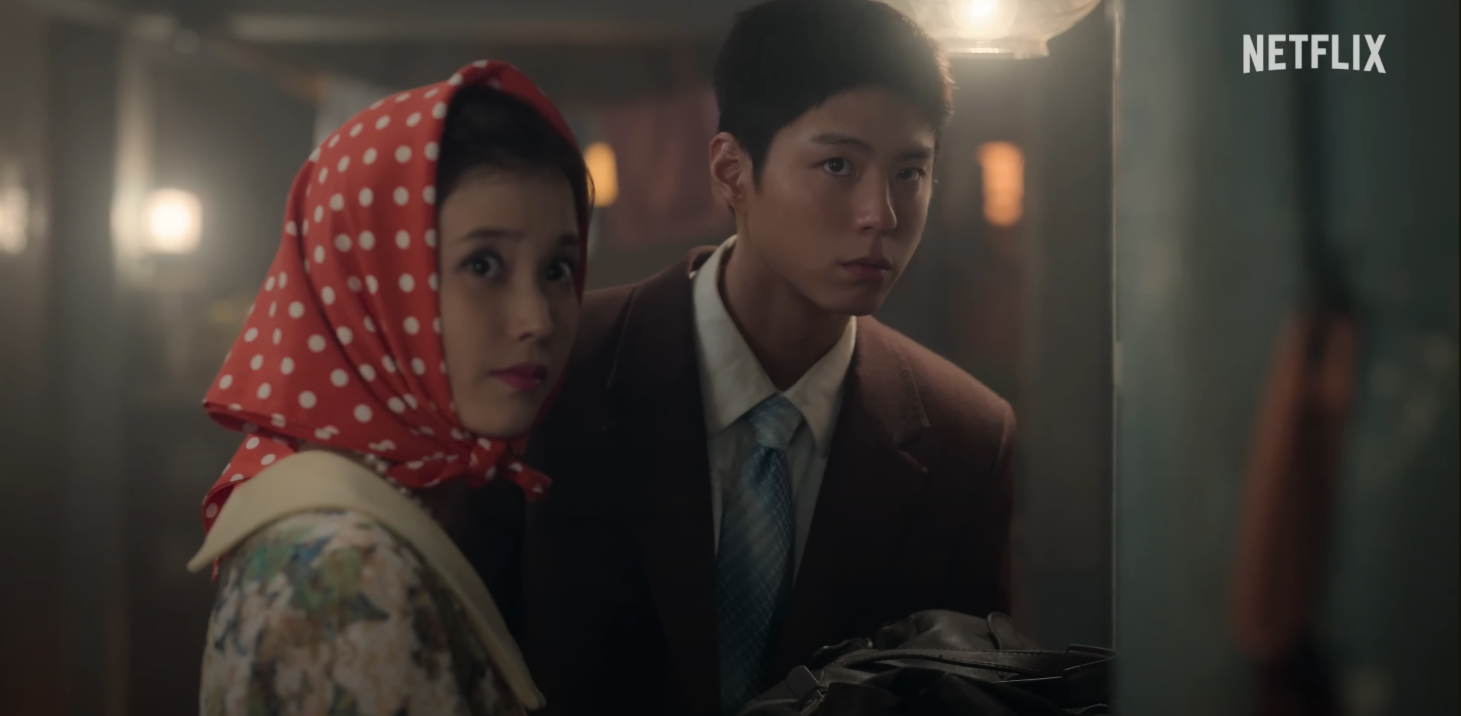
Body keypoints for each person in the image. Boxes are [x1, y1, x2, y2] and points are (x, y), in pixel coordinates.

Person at [513, 1, 1017, 715]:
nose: (880, 214)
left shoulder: (965, 437)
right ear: (731, 172)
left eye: (910, 173)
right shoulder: (559, 366)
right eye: (838, 165)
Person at [186, 61, 591, 716]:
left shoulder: (357, 502)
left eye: (557, 269)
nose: (537, 319)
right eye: (482, 264)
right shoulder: (347, 572)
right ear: (369, 281)